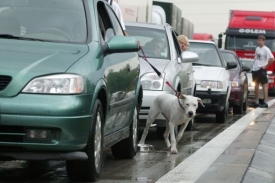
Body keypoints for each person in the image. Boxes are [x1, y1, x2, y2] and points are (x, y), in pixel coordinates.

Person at [250, 35, 274, 108]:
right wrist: (253, 66)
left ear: (264, 41)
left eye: (260, 40)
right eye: (258, 40)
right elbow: (255, 58)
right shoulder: (257, 48)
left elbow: (272, 59)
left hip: (261, 69)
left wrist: (265, 66)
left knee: (264, 85)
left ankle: (265, 102)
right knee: (256, 85)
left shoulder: (266, 49)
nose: (259, 41)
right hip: (255, 69)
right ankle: (256, 101)